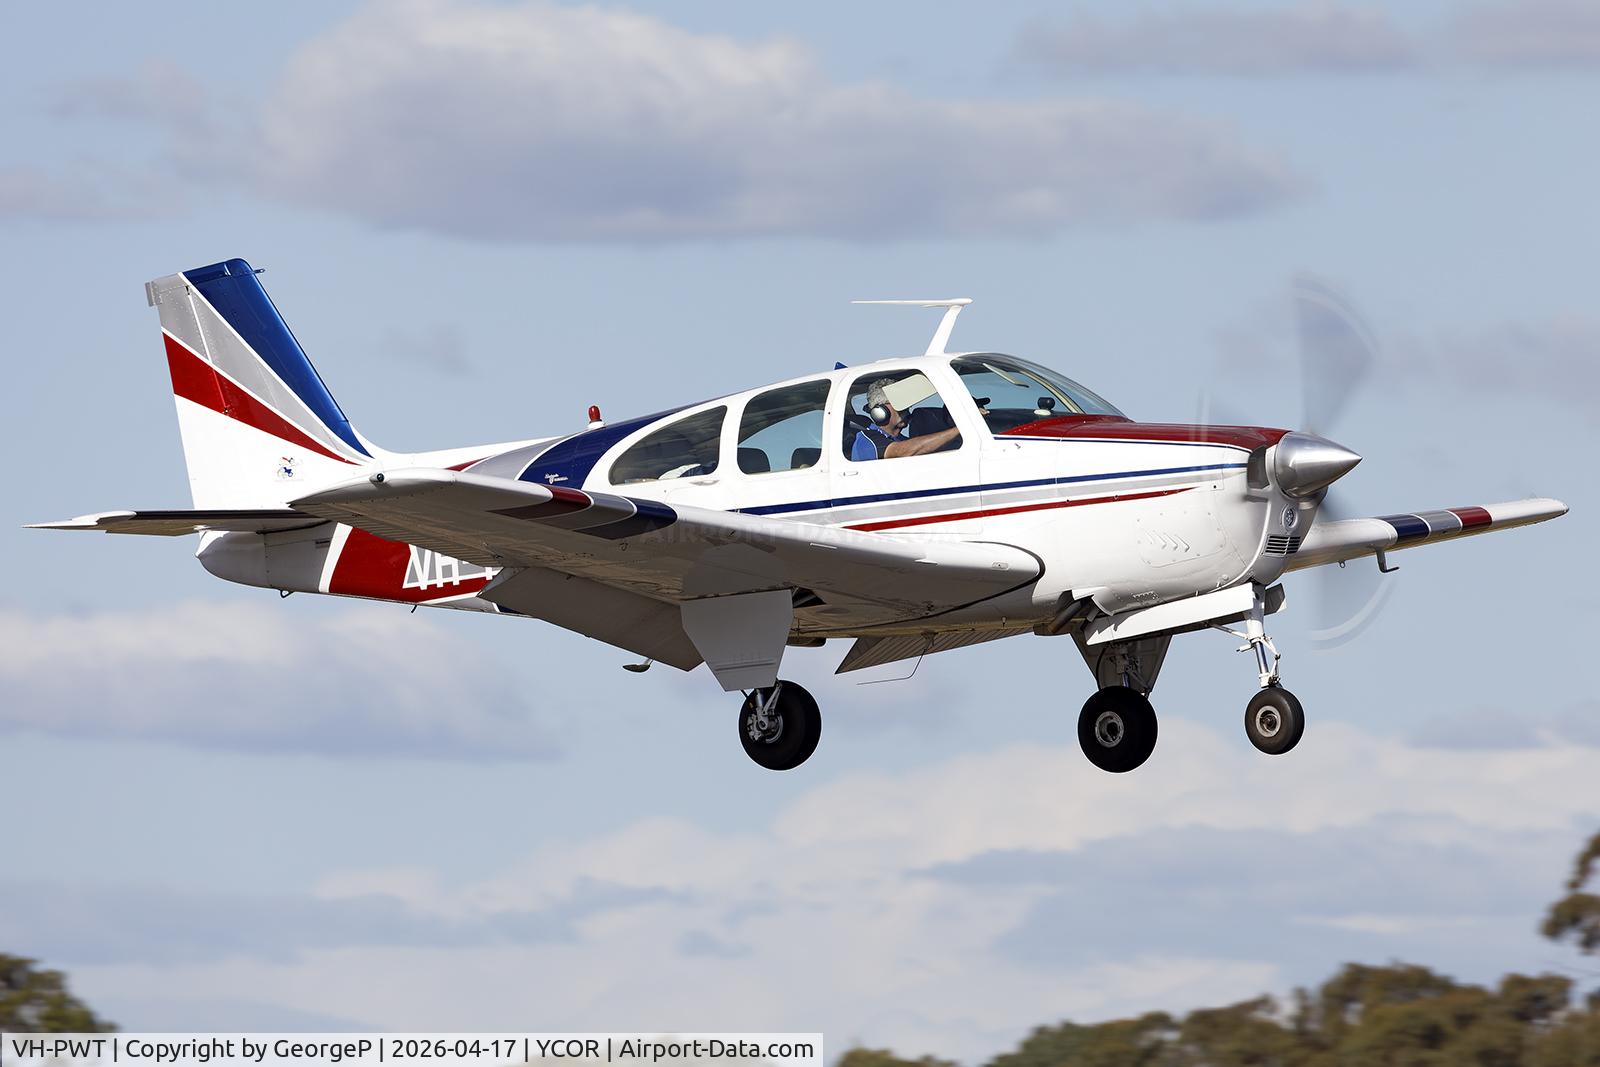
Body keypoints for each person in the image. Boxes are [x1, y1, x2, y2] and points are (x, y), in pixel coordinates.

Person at [851, 378, 962, 460]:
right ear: (880, 411)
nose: (906, 410)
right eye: (899, 405)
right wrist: (961, 428)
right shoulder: (867, 440)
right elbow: (902, 451)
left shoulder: (901, 439)